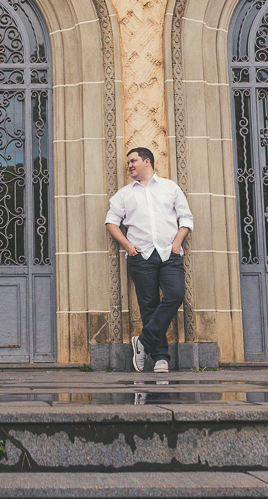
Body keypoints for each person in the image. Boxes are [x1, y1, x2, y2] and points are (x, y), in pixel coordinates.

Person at [105, 147, 194, 373]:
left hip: (169, 254)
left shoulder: (170, 188)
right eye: (128, 163)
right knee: (149, 307)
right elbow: (111, 223)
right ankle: (161, 357)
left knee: (176, 295)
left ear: (147, 161)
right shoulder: (124, 194)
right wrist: (127, 245)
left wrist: (177, 243)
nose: (129, 166)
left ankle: (143, 341)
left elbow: (186, 219)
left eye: (133, 161)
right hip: (140, 256)